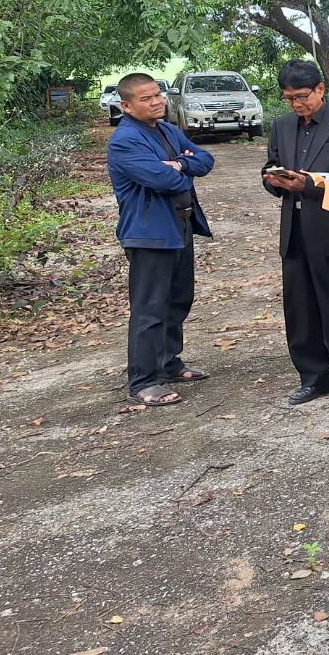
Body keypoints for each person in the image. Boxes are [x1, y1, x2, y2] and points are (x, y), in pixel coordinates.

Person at [262, 59, 329, 406]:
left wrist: (308, 185)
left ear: (320, 89)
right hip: (294, 229)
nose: (297, 104)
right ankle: (314, 377)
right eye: (289, 98)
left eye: (302, 96)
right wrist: (275, 179)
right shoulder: (281, 126)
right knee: (300, 308)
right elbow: (270, 164)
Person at [106, 72, 215, 407]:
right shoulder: (125, 140)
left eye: (158, 95)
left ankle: (168, 363)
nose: (156, 102)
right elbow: (164, 181)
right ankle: (142, 380)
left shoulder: (167, 130)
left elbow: (206, 160)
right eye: (146, 98)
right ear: (126, 106)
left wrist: (178, 164)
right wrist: (182, 168)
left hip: (179, 226)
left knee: (178, 299)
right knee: (149, 308)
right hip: (149, 233)